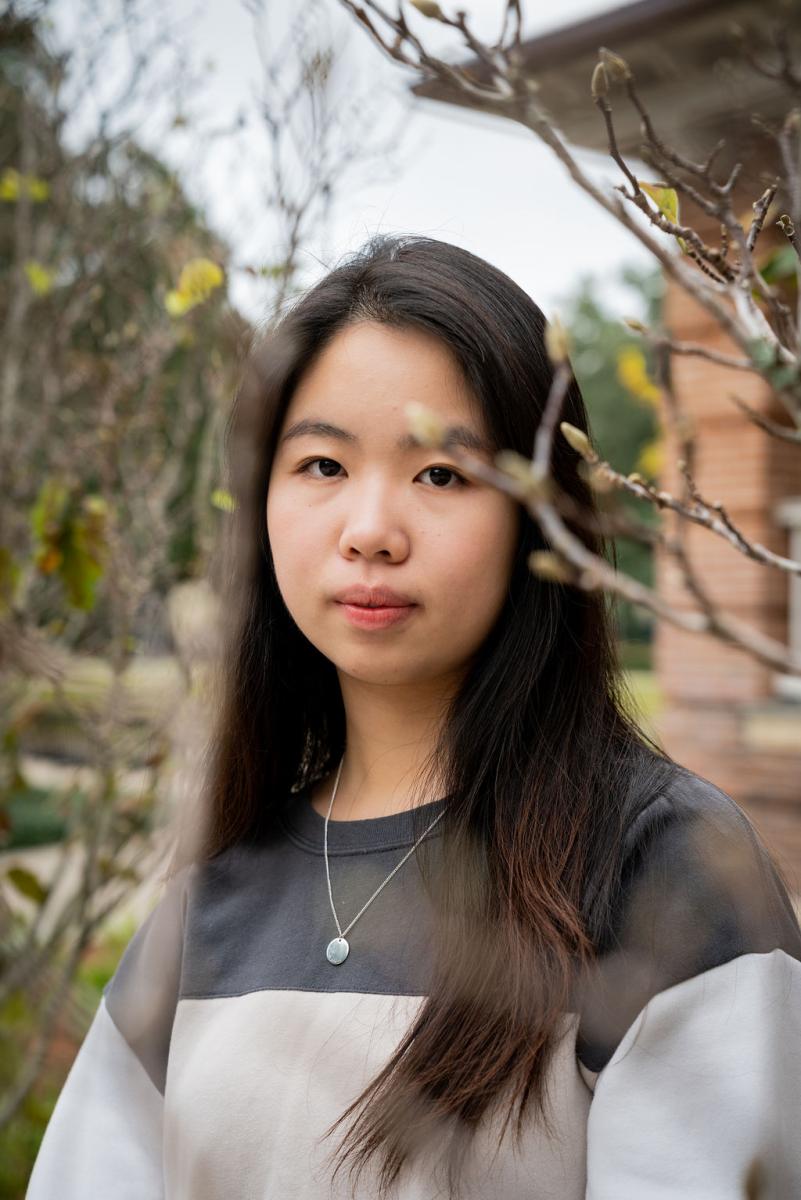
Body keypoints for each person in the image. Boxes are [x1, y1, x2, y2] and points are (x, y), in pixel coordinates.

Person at [27, 235, 801, 1200]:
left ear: (542, 513)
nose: (369, 531)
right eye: (320, 465)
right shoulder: (208, 904)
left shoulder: (660, 866)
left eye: (441, 474)